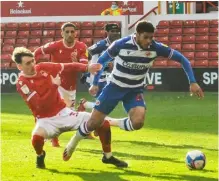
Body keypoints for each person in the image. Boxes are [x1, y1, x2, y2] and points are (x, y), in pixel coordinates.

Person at [63, 20, 204, 156]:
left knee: (138, 122)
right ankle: (73, 142)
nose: (149, 41)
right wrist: (95, 83)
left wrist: (192, 82)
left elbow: (182, 59)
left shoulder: (156, 47)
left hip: (134, 90)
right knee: (93, 123)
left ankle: (111, 122)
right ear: (136, 34)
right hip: (114, 87)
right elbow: (101, 61)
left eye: (151, 37)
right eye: (146, 37)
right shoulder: (120, 45)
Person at [13, 47, 128, 169]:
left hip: (64, 113)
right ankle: (40, 155)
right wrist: (54, 86)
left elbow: (67, 66)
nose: (32, 65)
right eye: (28, 63)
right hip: (45, 120)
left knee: (101, 123)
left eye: (32, 61)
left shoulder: (42, 67)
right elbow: (39, 103)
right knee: (36, 138)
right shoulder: (22, 83)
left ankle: (108, 156)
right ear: (19, 66)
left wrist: (86, 68)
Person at [34, 22, 94, 146]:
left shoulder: (81, 46)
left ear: (76, 33)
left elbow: (84, 65)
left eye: (72, 31)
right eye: (67, 32)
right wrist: (33, 67)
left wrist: (76, 62)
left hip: (70, 85)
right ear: (62, 33)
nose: (70, 34)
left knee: (68, 115)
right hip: (55, 83)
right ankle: (53, 139)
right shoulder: (55, 45)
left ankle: (83, 128)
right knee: (55, 111)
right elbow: (37, 51)